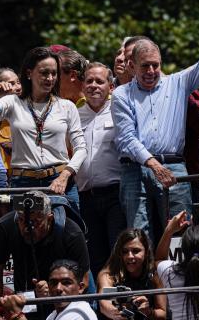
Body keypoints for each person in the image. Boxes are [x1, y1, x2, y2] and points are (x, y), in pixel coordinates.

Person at [111, 18, 199, 245]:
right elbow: (127, 137)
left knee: (181, 229)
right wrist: (154, 165)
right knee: (138, 234)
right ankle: (146, 280)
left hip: (174, 165)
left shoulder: (178, 83)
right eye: (145, 65)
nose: (151, 70)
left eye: (156, 64)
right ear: (131, 66)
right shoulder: (121, 94)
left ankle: (182, 277)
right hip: (135, 169)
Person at [0, 47, 87, 209]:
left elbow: (81, 148)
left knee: (64, 228)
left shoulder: (66, 106)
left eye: (54, 73)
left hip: (59, 180)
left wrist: (65, 175)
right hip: (23, 182)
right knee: (25, 231)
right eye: (44, 73)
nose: (50, 78)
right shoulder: (13, 103)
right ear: (29, 74)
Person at [0, 192, 90, 320]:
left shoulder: (71, 233)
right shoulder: (5, 226)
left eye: (35, 221)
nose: (27, 228)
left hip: (61, 298)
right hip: (24, 295)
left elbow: (83, 280)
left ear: (50, 218)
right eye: (22, 220)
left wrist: (52, 291)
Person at [76, 63, 126, 277]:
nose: (93, 86)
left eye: (100, 81)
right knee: (93, 256)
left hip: (115, 195)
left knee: (118, 253)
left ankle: (120, 304)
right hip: (85, 198)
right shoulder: (74, 115)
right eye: (89, 81)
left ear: (111, 86)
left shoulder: (120, 111)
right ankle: (98, 307)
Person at [97, 229, 166, 320]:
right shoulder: (109, 275)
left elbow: (163, 313)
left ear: (146, 253)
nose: (130, 256)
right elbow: (104, 303)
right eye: (125, 251)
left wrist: (149, 312)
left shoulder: (154, 275)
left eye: (136, 251)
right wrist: (118, 312)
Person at [0, 259, 97, 320]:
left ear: (80, 287)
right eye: (53, 283)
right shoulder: (54, 315)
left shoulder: (78, 313)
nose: (58, 288)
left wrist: (17, 314)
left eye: (66, 283)